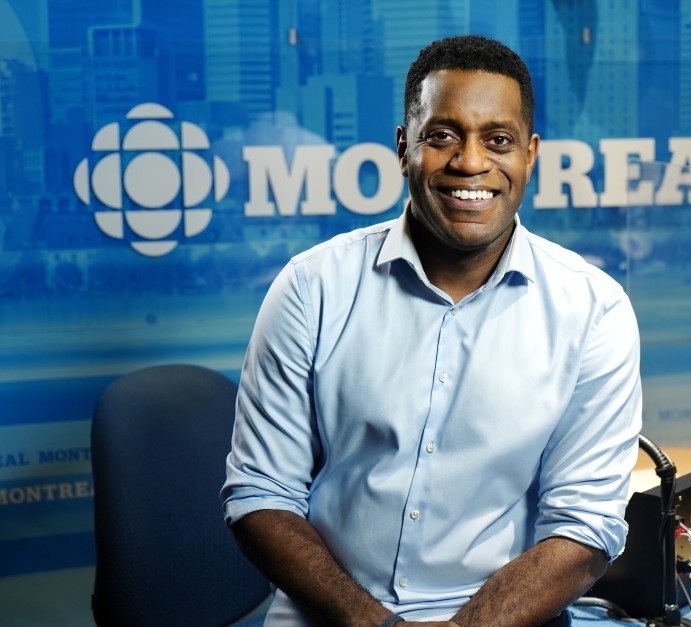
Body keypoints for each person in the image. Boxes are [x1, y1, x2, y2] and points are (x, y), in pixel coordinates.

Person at [221, 34, 642, 626]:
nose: (470, 162)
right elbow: (260, 495)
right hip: (331, 615)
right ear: (403, 148)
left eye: (498, 140)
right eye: (442, 136)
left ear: (530, 156)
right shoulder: (310, 288)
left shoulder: (594, 310)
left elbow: (585, 526)